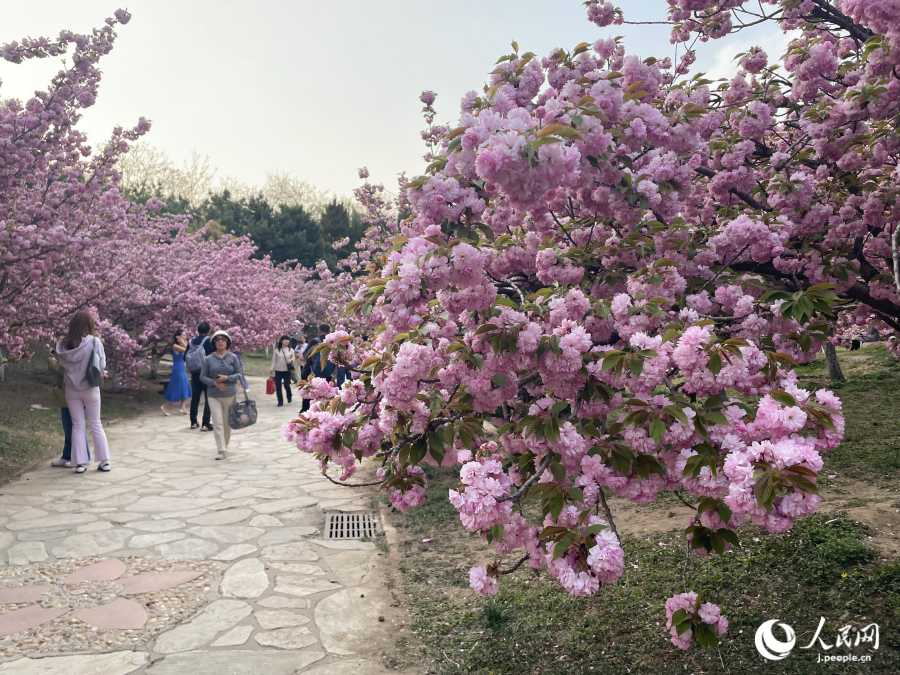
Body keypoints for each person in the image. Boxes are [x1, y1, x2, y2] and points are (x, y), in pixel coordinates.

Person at [55, 311, 111, 474]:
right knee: (96, 423)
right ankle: (104, 461)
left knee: (77, 425)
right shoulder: (94, 342)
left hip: (71, 389)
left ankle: (80, 463)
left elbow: (61, 365)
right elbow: (101, 364)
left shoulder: (63, 345)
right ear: (89, 325)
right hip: (91, 388)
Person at [199, 330, 247, 460]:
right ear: (214, 343)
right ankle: (221, 449)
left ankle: (225, 445)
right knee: (218, 422)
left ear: (227, 343)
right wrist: (214, 383)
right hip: (213, 395)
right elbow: (202, 376)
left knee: (227, 423)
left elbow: (239, 374)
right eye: (217, 340)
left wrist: (227, 377)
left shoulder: (233, 357)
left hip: (230, 395)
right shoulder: (208, 359)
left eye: (223, 340)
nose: (220, 342)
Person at [48, 353, 89, 468]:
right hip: (65, 394)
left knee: (75, 427)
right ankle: (67, 455)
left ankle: (81, 457)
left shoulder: (78, 351)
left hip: (76, 393)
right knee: (68, 426)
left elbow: (67, 370)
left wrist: (54, 362)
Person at [187, 321, 214, 431]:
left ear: (198, 330)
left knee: (195, 398)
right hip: (206, 373)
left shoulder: (191, 341)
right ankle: (205, 423)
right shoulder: (208, 341)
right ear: (208, 330)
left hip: (194, 373)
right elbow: (212, 356)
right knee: (209, 398)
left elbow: (185, 356)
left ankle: (193, 422)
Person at [161, 330, 192, 415]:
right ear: (178, 337)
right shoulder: (175, 346)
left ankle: (183, 407)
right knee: (176, 388)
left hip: (182, 368)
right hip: (177, 369)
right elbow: (186, 350)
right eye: (183, 335)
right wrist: (182, 341)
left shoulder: (181, 344)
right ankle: (165, 406)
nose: (185, 336)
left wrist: (183, 341)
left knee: (185, 386)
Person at [270, 335, 295, 407]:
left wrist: (291, 360)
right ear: (281, 341)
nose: (287, 341)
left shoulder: (291, 350)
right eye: (285, 340)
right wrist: (271, 369)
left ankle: (289, 395)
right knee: (278, 387)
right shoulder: (277, 350)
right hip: (278, 371)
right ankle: (280, 401)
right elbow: (274, 361)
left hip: (287, 371)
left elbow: (293, 358)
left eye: (288, 340)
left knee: (287, 385)